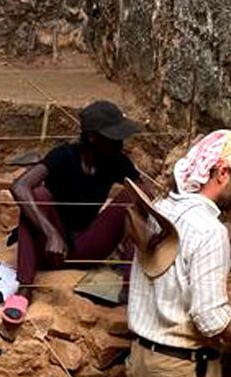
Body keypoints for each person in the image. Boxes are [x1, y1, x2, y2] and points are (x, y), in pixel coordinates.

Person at [127, 130, 231, 377]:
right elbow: (211, 321)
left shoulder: (161, 207)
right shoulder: (210, 231)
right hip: (182, 373)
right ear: (222, 172)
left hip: (142, 362)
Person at [8, 100, 149, 313]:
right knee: (38, 195)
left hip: (86, 247)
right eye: (113, 139)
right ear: (92, 137)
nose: (120, 144)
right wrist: (51, 233)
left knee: (134, 196)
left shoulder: (116, 160)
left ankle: (129, 289)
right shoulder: (64, 155)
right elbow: (19, 186)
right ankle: (25, 288)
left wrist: (132, 234)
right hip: (50, 249)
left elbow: (145, 193)